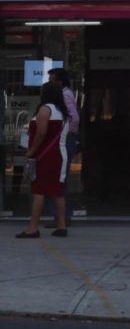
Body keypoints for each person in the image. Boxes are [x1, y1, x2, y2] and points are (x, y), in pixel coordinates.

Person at [16, 83, 70, 238]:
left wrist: (31, 150)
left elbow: (41, 132)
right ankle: (61, 226)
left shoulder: (45, 109)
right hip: (60, 155)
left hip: (45, 156)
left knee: (39, 191)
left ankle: (33, 228)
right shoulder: (62, 112)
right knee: (57, 191)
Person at [45, 68, 79, 227]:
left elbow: (74, 118)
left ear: (59, 82)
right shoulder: (62, 95)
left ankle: (61, 217)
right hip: (63, 138)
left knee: (59, 178)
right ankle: (59, 217)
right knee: (58, 178)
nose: (50, 83)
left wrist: (63, 130)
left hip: (64, 139)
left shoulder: (64, 95)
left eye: (52, 80)